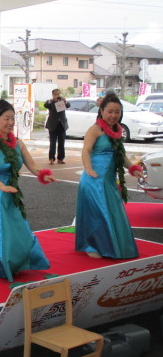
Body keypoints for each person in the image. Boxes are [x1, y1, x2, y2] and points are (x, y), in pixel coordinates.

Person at [0, 99, 55, 281]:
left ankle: (18, 262)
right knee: (0, 231)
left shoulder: (18, 142)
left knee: (19, 228)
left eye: (13, 118)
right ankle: (2, 265)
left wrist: (43, 174)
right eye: (6, 118)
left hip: (11, 189)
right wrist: (1, 186)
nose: (11, 122)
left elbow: (32, 164)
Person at [75, 94, 142, 259]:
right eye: (110, 111)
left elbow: (121, 155)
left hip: (109, 181)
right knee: (97, 214)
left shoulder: (117, 130)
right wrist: (88, 168)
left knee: (112, 212)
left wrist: (133, 168)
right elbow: (86, 150)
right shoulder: (95, 129)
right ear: (101, 111)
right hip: (94, 179)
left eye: (117, 112)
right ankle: (92, 245)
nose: (113, 115)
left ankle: (113, 245)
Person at [44, 89, 70, 165]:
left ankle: (61, 158)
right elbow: (46, 105)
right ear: (52, 95)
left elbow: (68, 105)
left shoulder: (62, 101)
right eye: (55, 94)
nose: (57, 96)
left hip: (62, 124)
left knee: (62, 142)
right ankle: (51, 158)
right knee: (52, 142)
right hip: (52, 125)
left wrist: (65, 101)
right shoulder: (50, 102)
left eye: (58, 94)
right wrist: (52, 100)